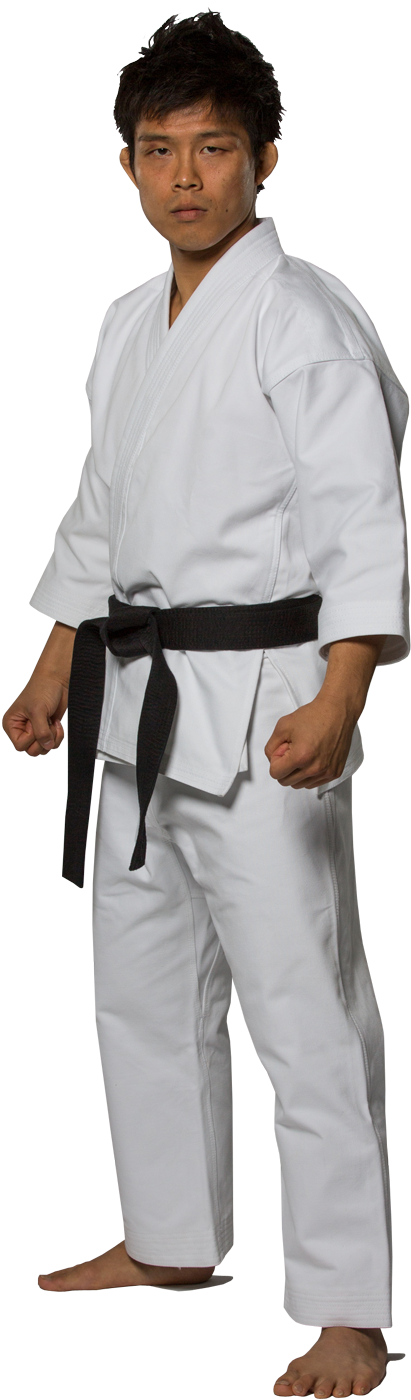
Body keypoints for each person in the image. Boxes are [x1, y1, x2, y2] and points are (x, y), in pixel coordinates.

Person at [2, 13, 408, 1397]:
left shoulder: (304, 318)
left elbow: (363, 516)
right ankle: (174, 1240)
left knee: (305, 1004)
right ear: (125, 163)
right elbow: (104, 507)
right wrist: (55, 657)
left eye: (214, 148)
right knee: (141, 980)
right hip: (137, 694)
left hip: (267, 697)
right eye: (159, 150)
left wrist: (344, 689)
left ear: (265, 159)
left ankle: (349, 1307)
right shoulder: (129, 323)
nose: (186, 176)